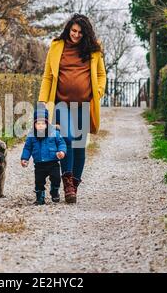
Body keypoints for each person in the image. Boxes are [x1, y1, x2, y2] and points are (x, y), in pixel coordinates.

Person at [38, 13, 106, 204]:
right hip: (61, 103)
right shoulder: (56, 46)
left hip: (84, 104)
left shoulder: (94, 50)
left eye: (80, 32)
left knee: (78, 144)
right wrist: (43, 100)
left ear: (86, 34)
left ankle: (73, 185)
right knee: (66, 138)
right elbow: (48, 77)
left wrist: (98, 92)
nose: (75, 35)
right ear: (68, 29)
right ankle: (67, 181)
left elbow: (101, 74)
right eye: (73, 30)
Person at [21, 108, 67, 205]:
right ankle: (40, 197)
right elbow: (27, 148)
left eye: (43, 123)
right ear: (34, 125)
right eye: (38, 124)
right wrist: (24, 158)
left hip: (53, 162)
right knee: (39, 181)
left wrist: (61, 152)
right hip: (39, 164)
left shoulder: (54, 133)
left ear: (47, 124)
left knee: (56, 178)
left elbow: (61, 143)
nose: (41, 126)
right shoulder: (31, 136)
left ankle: (54, 192)